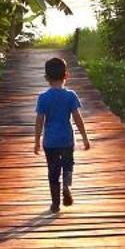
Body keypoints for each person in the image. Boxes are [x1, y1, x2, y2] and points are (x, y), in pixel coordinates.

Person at [32, 56, 90, 210]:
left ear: (46, 78)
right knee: (68, 165)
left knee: (52, 170)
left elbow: (39, 121)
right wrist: (85, 138)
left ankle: (55, 204)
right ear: (66, 75)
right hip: (66, 140)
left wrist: (37, 140)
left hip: (50, 142)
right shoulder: (70, 96)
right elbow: (78, 118)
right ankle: (67, 186)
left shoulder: (43, 98)